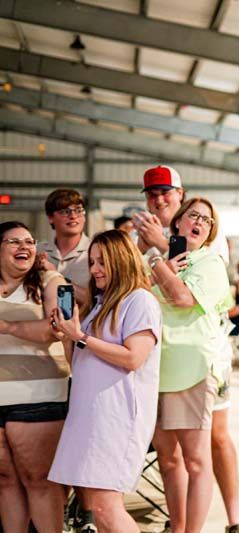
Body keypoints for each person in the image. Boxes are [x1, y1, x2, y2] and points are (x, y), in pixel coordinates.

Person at [134, 166, 239, 532]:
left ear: (179, 195)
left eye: (166, 192)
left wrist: (160, 248)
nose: (159, 199)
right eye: (152, 194)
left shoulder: (209, 243)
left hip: (206, 357)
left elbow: (188, 292)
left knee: (215, 437)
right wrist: (143, 246)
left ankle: (235, 518)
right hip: (159, 361)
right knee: (171, 457)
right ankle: (178, 522)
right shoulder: (149, 237)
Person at [48, 230, 161, 532]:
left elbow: (134, 357)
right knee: (99, 506)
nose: (95, 269)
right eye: (93, 262)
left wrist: (81, 337)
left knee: (106, 506)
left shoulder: (140, 301)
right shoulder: (101, 303)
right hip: (92, 414)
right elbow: (79, 361)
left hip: (118, 416)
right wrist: (66, 336)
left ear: (122, 262)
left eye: (103, 262)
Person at [149, 198, 233, 533]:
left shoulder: (209, 262)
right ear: (178, 222)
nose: (200, 222)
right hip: (154, 368)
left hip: (192, 370)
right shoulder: (156, 259)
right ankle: (178, 527)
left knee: (196, 461)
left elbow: (183, 299)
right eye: (193, 215)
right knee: (168, 461)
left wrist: (157, 261)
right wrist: (158, 260)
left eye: (207, 220)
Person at [0, 221, 68, 532]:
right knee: (6, 481)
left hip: (38, 397)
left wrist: (8, 327)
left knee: (39, 481)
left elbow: (58, 328)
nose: (24, 246)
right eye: (14, 241)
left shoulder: (53, 281)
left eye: (29, 241)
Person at [38, 188, 91, 307]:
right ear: (50, 218)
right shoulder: (36, 252)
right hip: (41, 324)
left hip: (83, 325)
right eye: (65, 211)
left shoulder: (97, 252)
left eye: (78, 210)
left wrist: (55, 276)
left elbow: (101, 303)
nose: (73, 216)